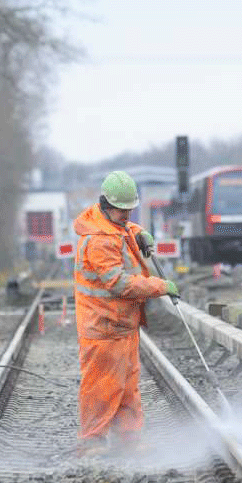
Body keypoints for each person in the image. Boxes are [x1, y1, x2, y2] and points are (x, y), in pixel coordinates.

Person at [72, 171, 179, 454]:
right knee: (101, 386)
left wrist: (138, 232)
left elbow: (122, 229)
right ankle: (92, 441)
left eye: (129, 209)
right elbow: (119, 284)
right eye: (122, 210)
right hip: (103, 326)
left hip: (121, 325)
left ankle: (128, 440)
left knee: (128, 386)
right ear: (106, 205)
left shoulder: (111, 225)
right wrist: (160, 285)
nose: (126, 214)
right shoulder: (99, 241)